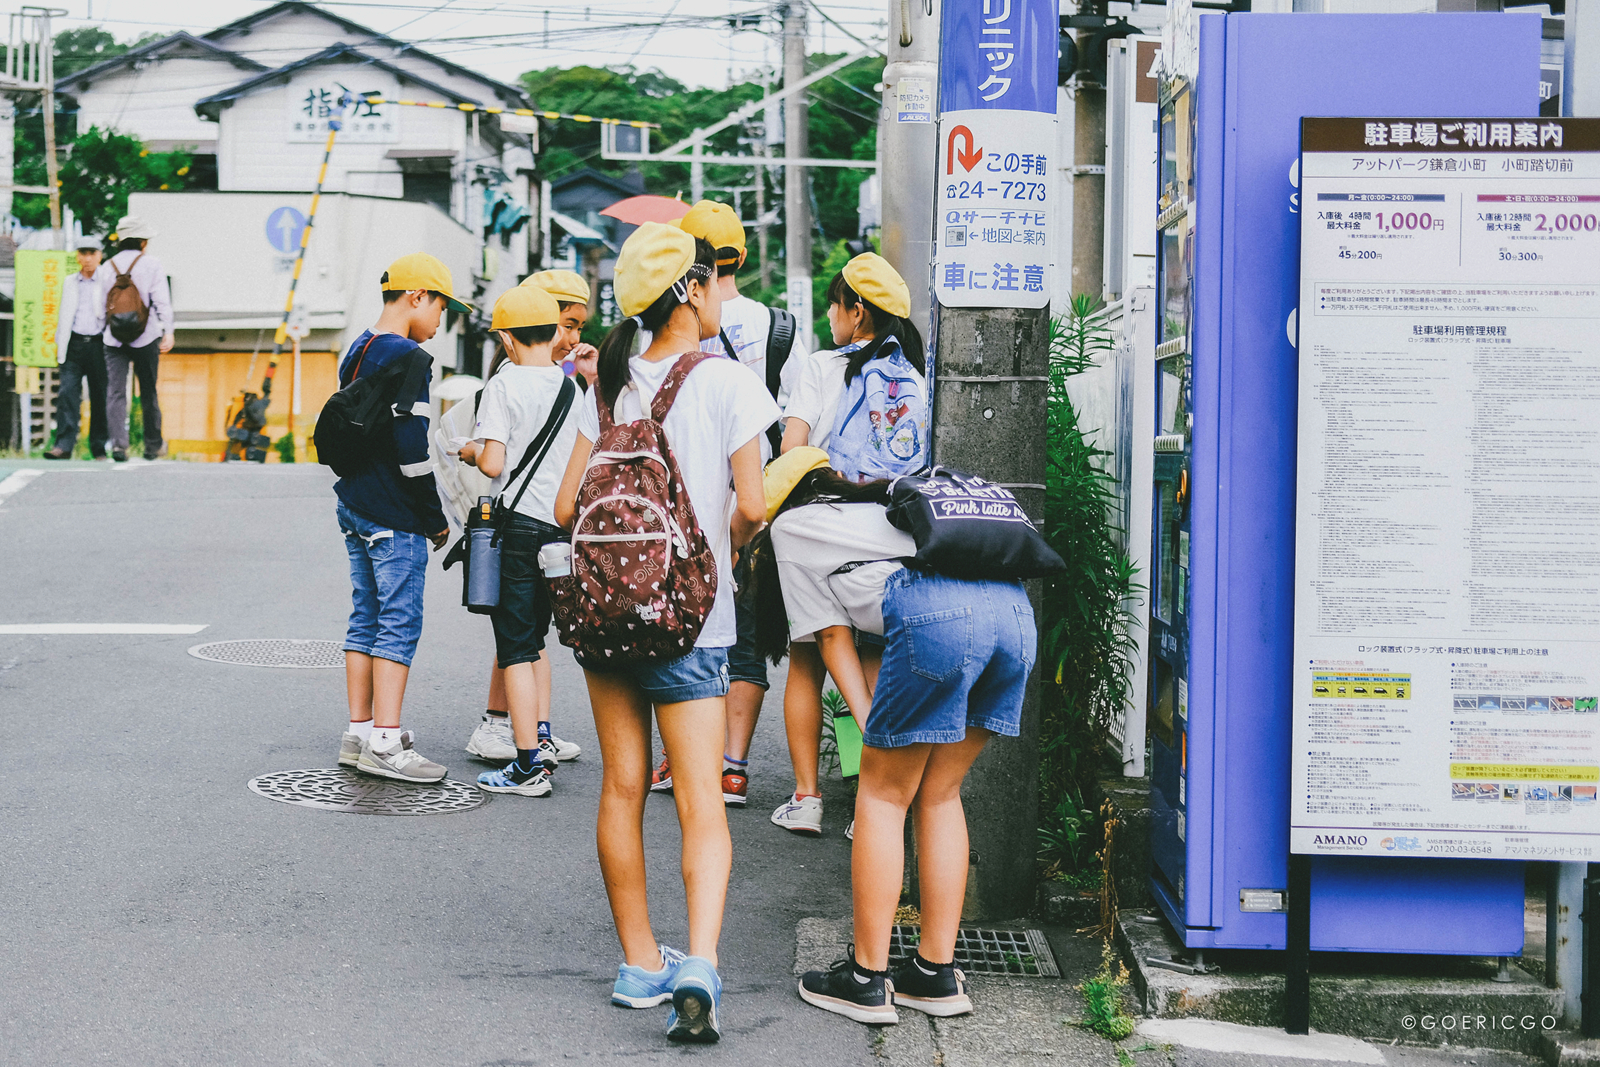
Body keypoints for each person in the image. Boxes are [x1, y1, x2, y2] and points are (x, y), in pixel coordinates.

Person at [552, 222, 776, 1043]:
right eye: (715, 279)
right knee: (698, 803)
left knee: (620, 785)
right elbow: (751, 506)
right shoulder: (727, 381)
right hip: (692, 621)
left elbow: (568, 508)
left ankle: (640, 961)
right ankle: (701, 964)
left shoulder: (606, 382)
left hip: (604, 619)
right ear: (688, 290)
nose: (723, 293)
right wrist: (727, 546)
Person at [745, 449, 1035, 1025]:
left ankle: (866, 979)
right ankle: (935, 974)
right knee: (941, 792)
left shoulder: (791, 528)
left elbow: (832, 641)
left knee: (882, 795)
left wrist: (874, 729)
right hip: (1013, 617)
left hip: (938, 617)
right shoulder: (876, 506)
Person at [769, 252, 928, 836]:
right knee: (874, 650)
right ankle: (873, 803)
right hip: (895, 527)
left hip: (824, 526)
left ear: (856, 310)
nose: (831, 318)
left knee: (809, 654)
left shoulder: (820, 367)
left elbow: (793, 454)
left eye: (835, 306)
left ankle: (808, 797)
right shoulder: (916, 370)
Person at [646, 200, 790, 807]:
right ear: (741, 256)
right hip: (747, 498)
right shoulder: (775, 325)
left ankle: (677, 758)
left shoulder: (647, 347)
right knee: (746, 635)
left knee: (672, 628)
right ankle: (732, 764)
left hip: (677, 504)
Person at [334, 253, 467, 783]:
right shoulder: (411, 357)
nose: (442, 322)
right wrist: (434, 517)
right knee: (398, 621)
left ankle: (360, 732)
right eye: (442, 308)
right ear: (417, 297)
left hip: (355, 505)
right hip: (395, 512)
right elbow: (413, 449)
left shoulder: (358, 349)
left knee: (365, 616)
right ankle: (388, 743)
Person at [460, 269, 595, 767]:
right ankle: (540, 735)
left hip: (515, 528)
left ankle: (526, 762)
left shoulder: (505, 383)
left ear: (505, 338)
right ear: (555, 330)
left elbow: (494, 463)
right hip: (559, 530)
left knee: (514, 646)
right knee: (538, 642)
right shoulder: (573, 391)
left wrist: (471, 450)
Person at [101, 215, 174, 462]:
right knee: (148, 391)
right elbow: (161, 299)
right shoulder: (151, 264)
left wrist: (105, 331)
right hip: (147, 335)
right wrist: (169, 331)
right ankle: (152, 445)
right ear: (142, 241)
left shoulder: (106, 266)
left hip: (114, 339)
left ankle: (119, 446)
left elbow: (98, 305)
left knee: (116, 393)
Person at [45, 236, 109, 460]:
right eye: (83, 253)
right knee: (67, 394)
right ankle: (63, 445)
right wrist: (58, 343)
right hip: (73, 344)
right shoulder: (69, 281)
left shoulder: (107, 280)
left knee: (101, 396)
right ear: (77, 256)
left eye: (92, 253)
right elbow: (63, 315)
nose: (88, 258)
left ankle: (99, 447)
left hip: (100, 344)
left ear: (100, 255)